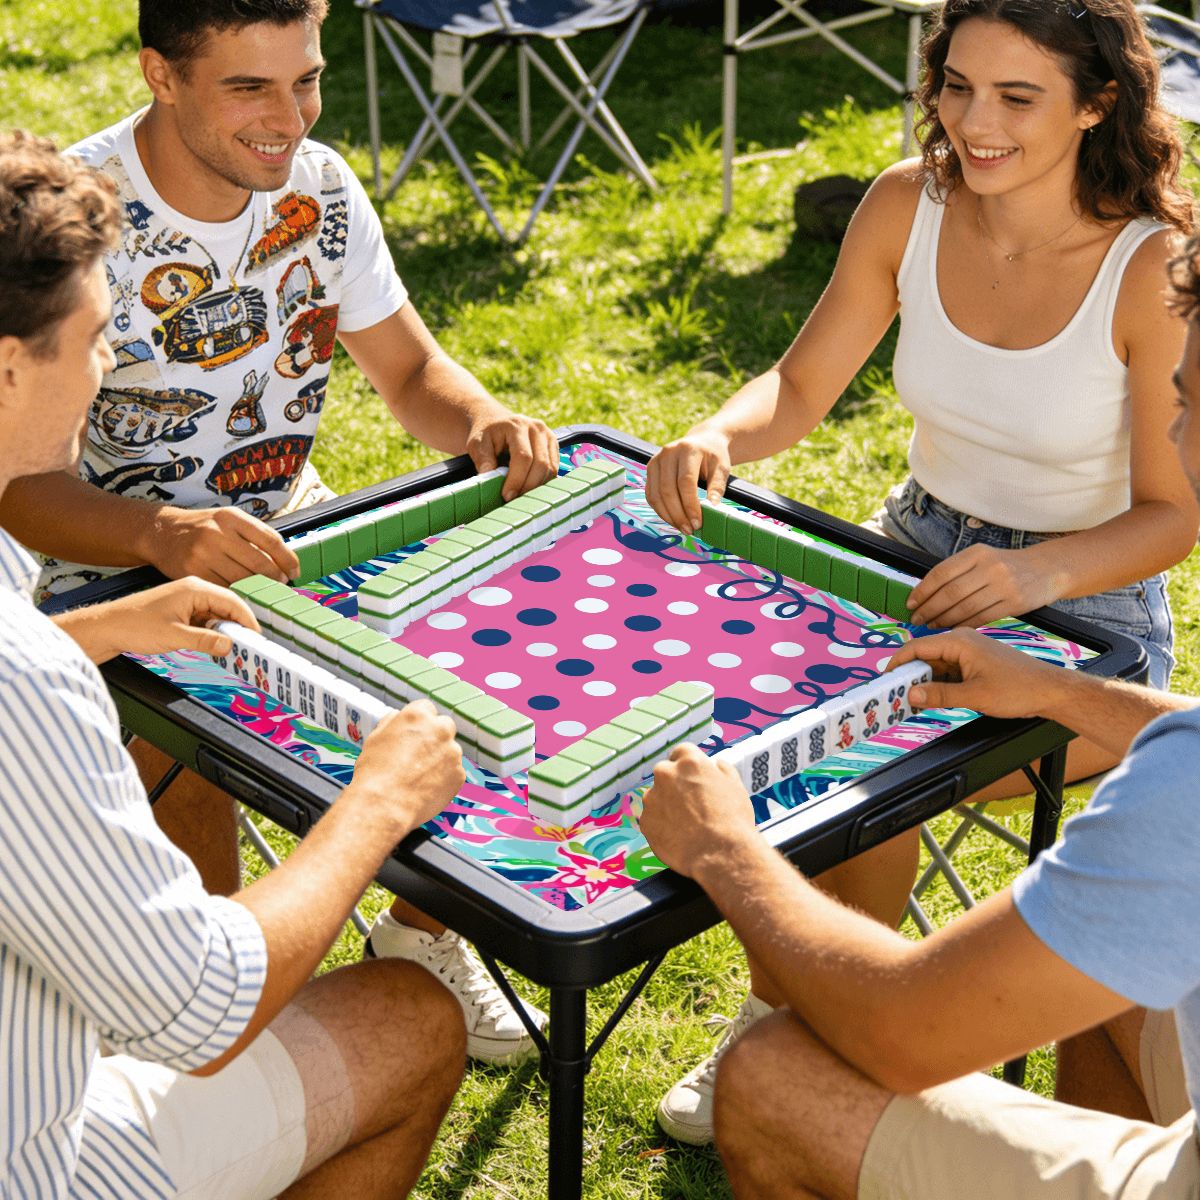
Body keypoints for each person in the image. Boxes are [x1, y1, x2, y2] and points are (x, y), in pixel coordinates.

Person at [643, 0, 1199, 1143]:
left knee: (868, 773)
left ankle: (785, 1030)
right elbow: (799, 389)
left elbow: (1169, 518)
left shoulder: (1154, 269)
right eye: (955, 85)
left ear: (1099, 104)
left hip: (1089, 622)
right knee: (805, 739)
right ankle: (800, 1024)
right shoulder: (909, 201)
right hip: (903, 559)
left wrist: (1033, 575)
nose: (971, 123)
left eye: (1015, 97)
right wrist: (718, 435)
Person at [0, 0, 557, 1062]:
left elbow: (409, 371)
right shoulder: (79, 224)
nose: (288, 118)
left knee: (464, 689)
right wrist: (162, 534)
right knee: (193, 738)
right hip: (100, 573)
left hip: (296, 531)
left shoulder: (324, 188)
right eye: (248, 88)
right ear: (159, 75)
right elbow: (17, 486)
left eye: (306, 80)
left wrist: (482, 419)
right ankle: (203, 1007)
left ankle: (422, 939)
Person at [0, 129, 466, 1200]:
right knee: (411, 1016)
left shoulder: (29, 654)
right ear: (12, 364)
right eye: (96, 338)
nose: (110, 364)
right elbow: (197, 1011)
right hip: (37, 1156)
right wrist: (377, 804)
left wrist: (94, 633)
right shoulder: (21, 678)